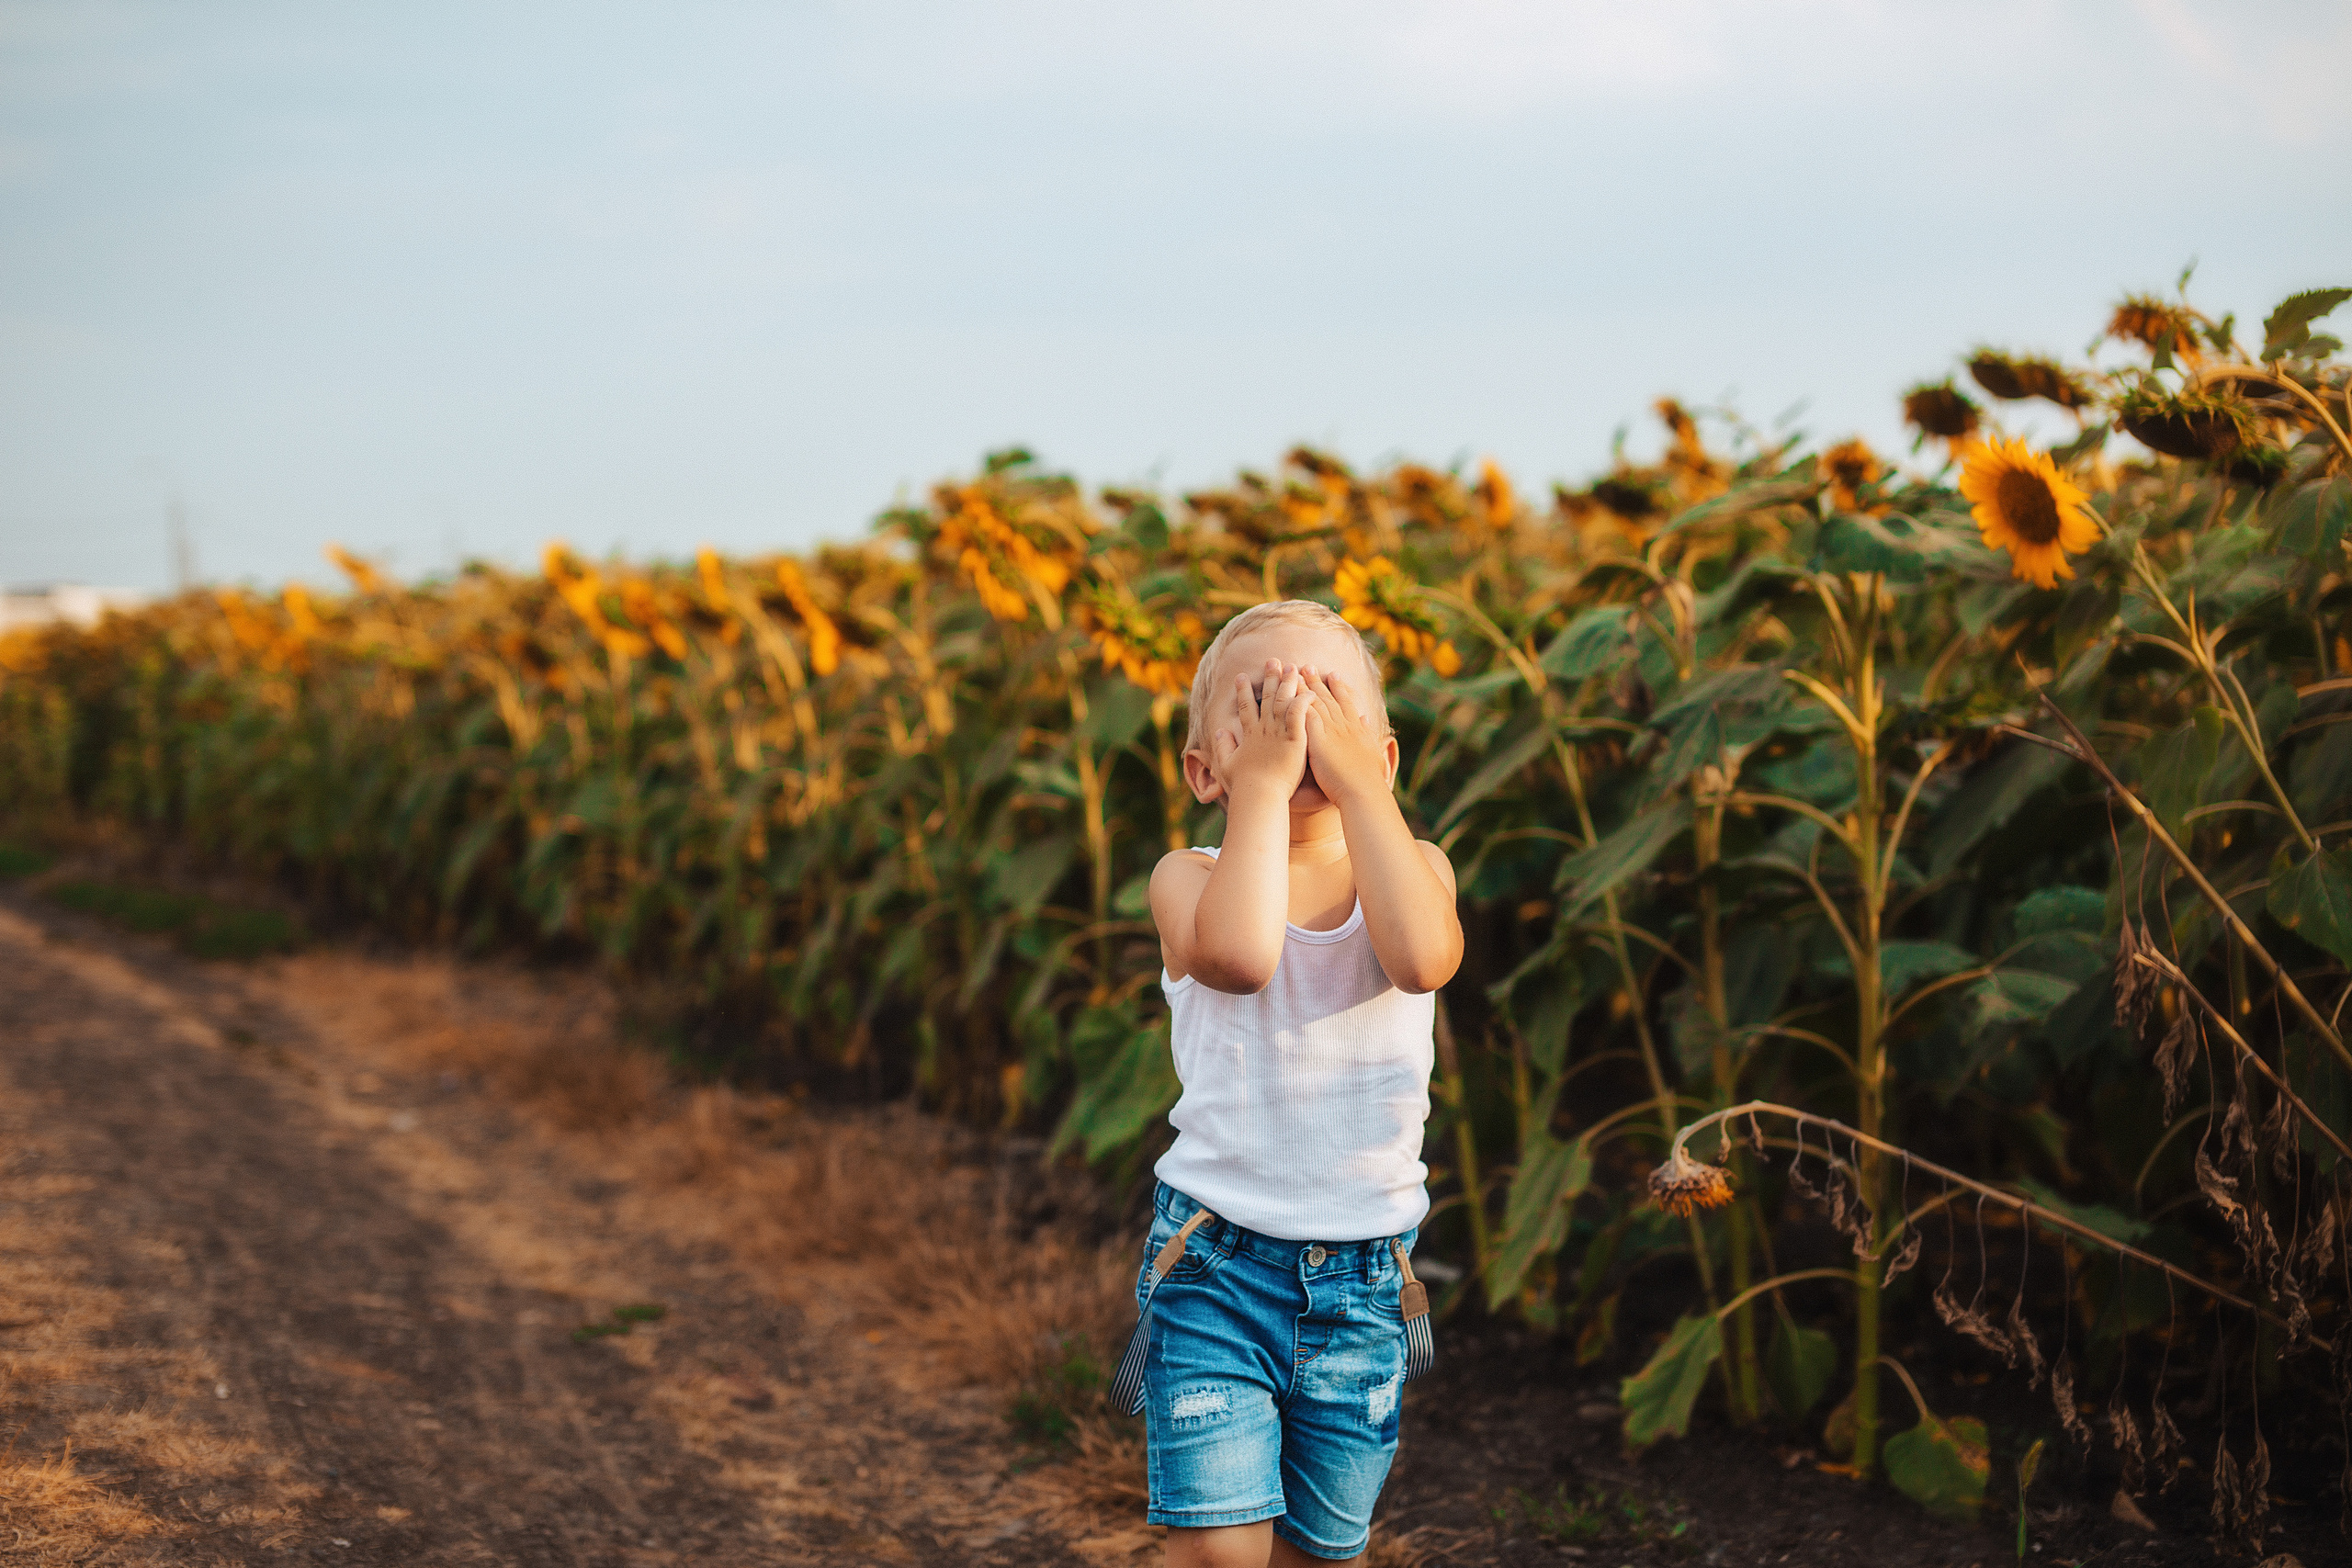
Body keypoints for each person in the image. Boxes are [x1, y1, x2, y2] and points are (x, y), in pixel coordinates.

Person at [1140, 600, 1464, 1567]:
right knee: (1219, 1552)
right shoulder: (1186, 879)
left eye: (1325, 699)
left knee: (1322, 1551)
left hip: (1366, 1277)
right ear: (1206, 770)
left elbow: (1421, 960)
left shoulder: (1421, 871)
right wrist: (1264, 795)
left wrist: (1363, 800)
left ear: (1384, 757)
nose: (1298, 719)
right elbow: (1240, 957)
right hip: (1214, 1261)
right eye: (1265, 701)